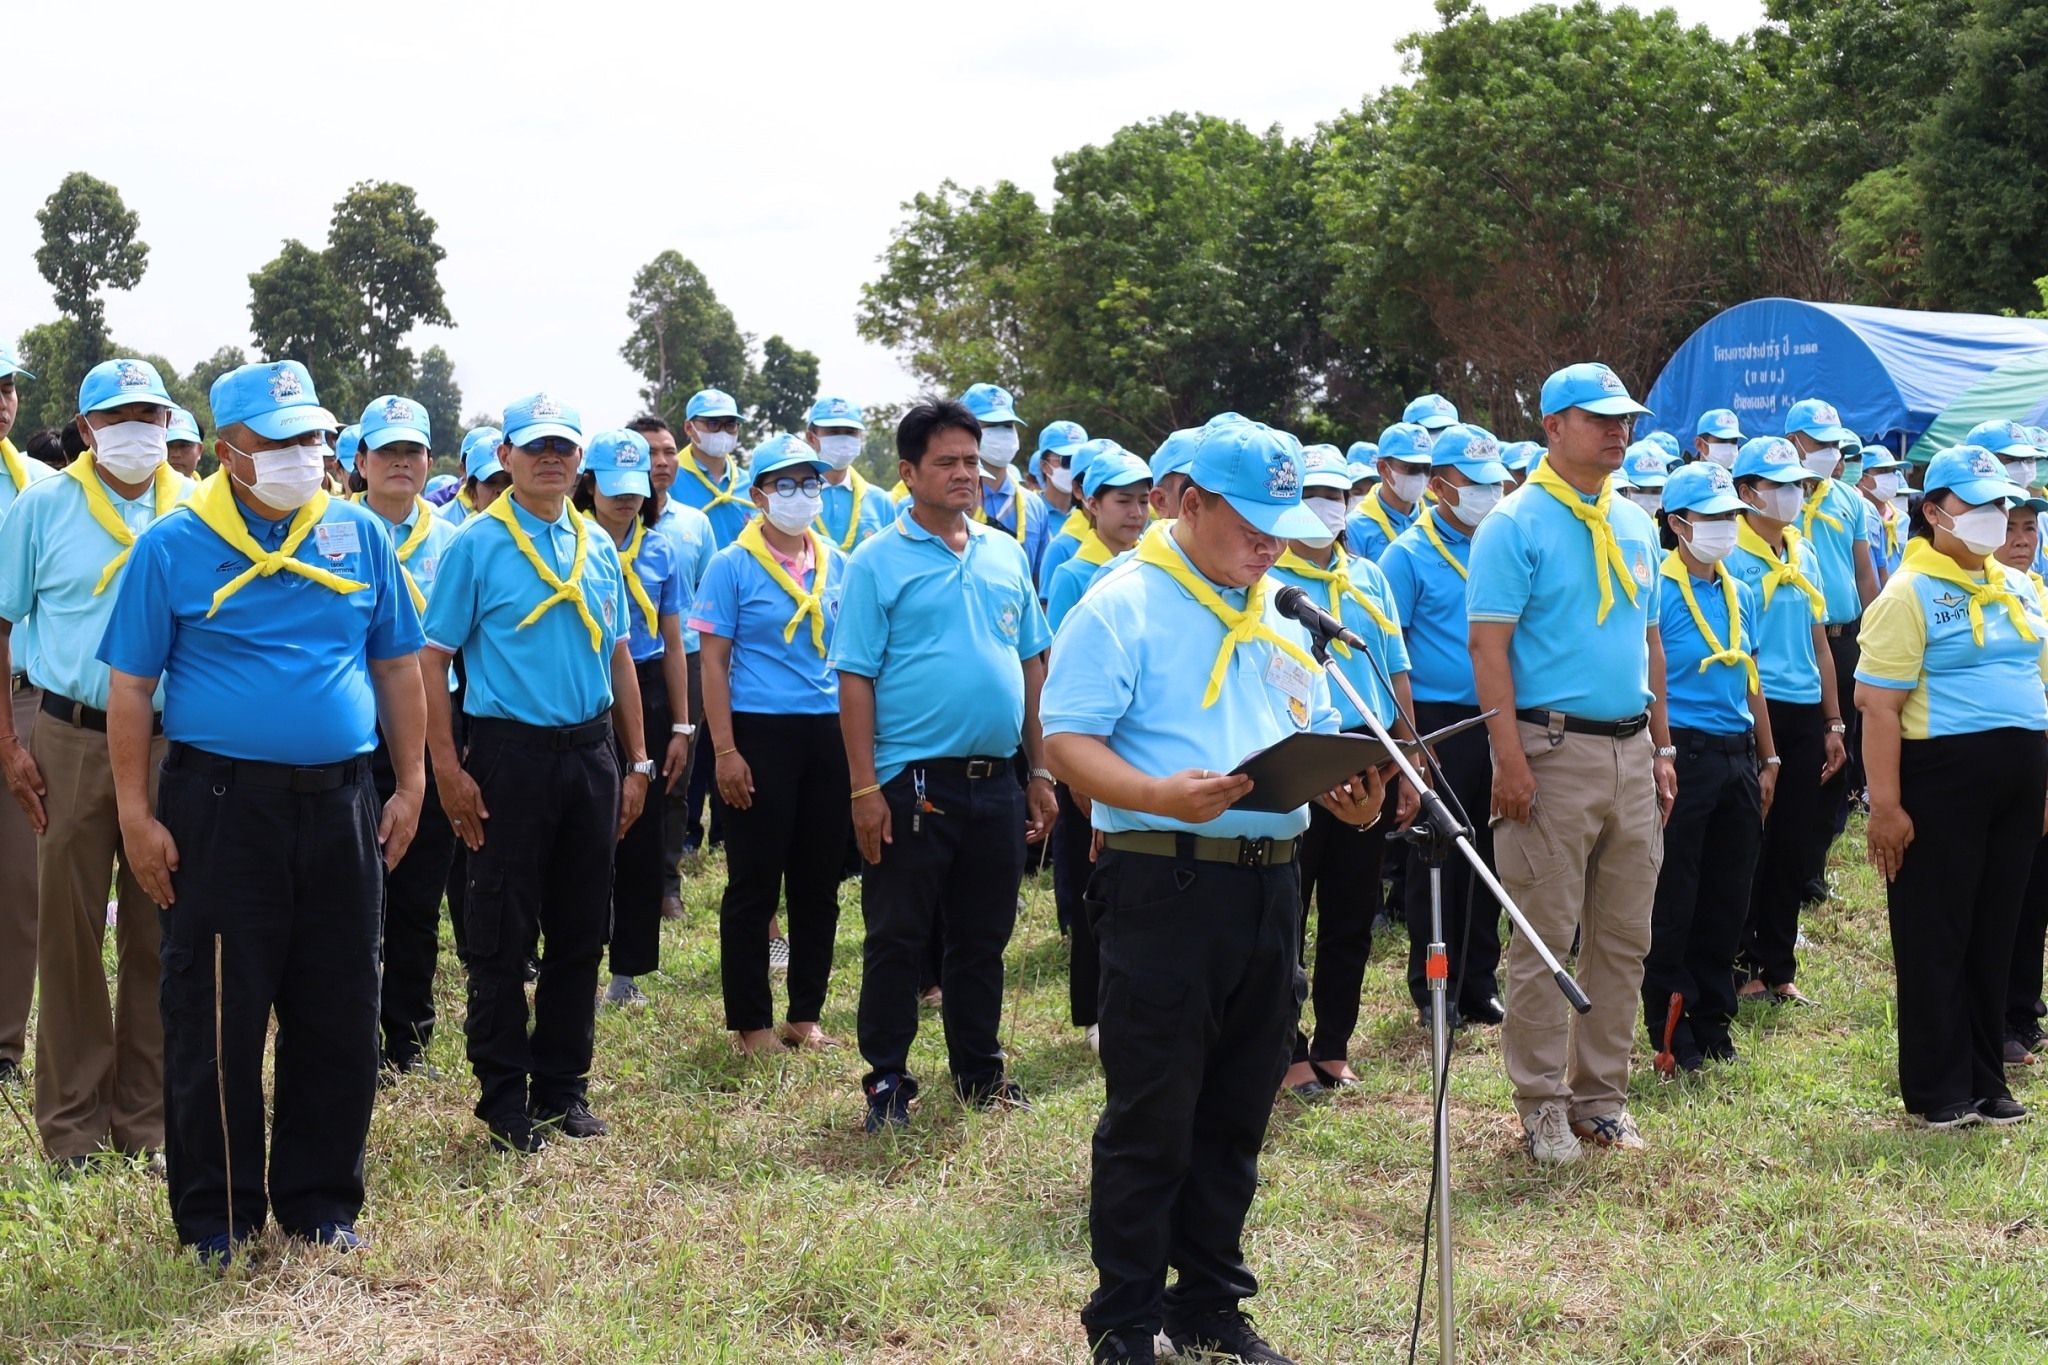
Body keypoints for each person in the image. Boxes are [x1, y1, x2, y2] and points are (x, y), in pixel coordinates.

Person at [1042, 416, 1384, 1365]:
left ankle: (1210, 1304)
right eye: (1254, 520)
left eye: (1286, 519)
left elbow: (1308, 728)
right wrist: (1157, 795)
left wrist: (1350, 805)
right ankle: (1123, 1323)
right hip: (1164, 879)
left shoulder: (1282, 607)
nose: (1274, 540)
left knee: (1238, 1107)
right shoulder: (1123, 602)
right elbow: (1066, 739)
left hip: (1272, 883)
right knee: (1154, 1113)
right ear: (1190, 503)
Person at [99, 358, 425, 1262]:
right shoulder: (172, 543)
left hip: (341, 806)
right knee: (215, 1014)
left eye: (315, 438)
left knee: (339, 1002)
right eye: (281, 442)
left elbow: (397, 663)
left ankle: (321, 1202)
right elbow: (132, 689)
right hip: (218, 807)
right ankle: (221, 1215)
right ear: (231, 449)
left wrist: (411, 783)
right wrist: (135, 812)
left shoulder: (358, 534)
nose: (304, 455)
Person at [421, 392, 647, 1154]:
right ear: (506, 457)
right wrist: (447, 765)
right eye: (535, 446)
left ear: (581, 464)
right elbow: (433, 657)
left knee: (582, 926)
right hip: (507, 753)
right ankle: (504, 1094)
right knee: (500, 930)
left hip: (588, 755)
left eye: (564, 448)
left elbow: (619, 656)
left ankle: (564, 1088)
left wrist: (637, 760)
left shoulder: (597, 546)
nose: (551, 458)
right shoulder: (477, 544)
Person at [829, 398, 1058, 1133]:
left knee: (982, 932)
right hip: (911, 783)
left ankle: (979, 1071)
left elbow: (1031, 662)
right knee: (898, 933)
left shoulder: (1001, 552)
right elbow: (855, 677)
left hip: (998, 779)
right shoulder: (875, 561)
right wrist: (865, 786)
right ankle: (888, 1079)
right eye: (947, 462)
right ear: (908, 472)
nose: (965, 473)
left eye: (971, 460)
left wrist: (1043, 770)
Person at [1468, 362, 1677, 1164]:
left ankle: (1601, 1098)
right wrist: (1509, 757)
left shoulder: (1632, 522)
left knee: (1623, 935)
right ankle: (1541, 1103)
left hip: (1629, 746)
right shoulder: (1514, 524)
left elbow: (1649, 639)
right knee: (1544, 938)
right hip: (1550, 749)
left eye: (1624, 417)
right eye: (1599, 418)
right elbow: (1490, 647)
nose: (1617, 430)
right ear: (1553, 426)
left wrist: (1659, 745)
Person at [0, 359, 192, 1168]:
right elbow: (5, 624)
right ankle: (73, 1127)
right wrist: (10, 745)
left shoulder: (194, 508)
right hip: (70, 735)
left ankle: (143, 1120)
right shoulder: (42, 506)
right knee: (71, 936)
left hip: (167, 741)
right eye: (119, 417)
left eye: (151, 414)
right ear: (86, 430)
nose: (139, 431)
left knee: (159, 929)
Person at [1857, 444, 2048, 1128]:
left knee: (1996, 930)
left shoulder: (2022, 586)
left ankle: (1985, 1077)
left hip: (2019, 781)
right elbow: (1877, 705)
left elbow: (2039, 682)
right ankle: (1938, 1088)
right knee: (1938, 932)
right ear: (1934, 511)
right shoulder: (1908, 592)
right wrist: (1886, 804)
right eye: (1979, 505)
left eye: (2002, 503)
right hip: (1940, 780)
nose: (1997, 517)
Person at [692, 435, 851, 1054]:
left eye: (809, 484)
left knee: (819, 881)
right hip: (758, 732)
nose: (800, 496)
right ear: (758, 496)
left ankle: (804, 1014)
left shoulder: (838, 562)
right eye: (784, 485)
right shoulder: (732, 564)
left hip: (829, 732)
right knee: (754, 881)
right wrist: (726, 751)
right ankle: (751, 1022)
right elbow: (713, 664)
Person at [1269, 441, 1414, 1095]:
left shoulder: (1371, 575)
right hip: (1299, 753)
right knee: (1287, 913)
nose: (1329, 508)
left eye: (1338, 496)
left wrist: (1409, 760)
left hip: (1368, 749)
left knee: (1352, 912)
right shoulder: (1272, 587)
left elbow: (1395, 669)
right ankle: (1287, 1047)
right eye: (1314, 495)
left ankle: (1333, 1043)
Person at [1640, 461, 1778, 1070]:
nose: (1726, 528)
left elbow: (1752, 678)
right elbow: (1654, 682)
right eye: (1714, 517)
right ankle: (1671, 1026)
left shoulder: (1738, 589)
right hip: (1685, 753)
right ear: (1678, 523)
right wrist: (1662, 751)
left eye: (1731, 517)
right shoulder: (1659, 588)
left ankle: (1715, 1021)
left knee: (1728, 895)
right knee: (1677, 897)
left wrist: (1768, 755)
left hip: (1736, 754)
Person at [1380, 424, 1512, 1029]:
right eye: (1475, 484)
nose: (1490, 494)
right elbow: (1390, 651)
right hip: (1436, 721)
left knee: (1491, 852)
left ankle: (1479, 980)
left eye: (1496, 482)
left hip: (1495, 714)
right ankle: (1433, 987)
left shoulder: (1500, 545)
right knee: (1438, 858)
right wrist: (1410, 743)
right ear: (1438, 487)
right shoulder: (1406, 556)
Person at [351, 394, 462, 1077]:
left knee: (418, 899)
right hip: (355, 744)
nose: (400, 462)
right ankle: (353, 1035)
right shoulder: (332, 532)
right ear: (359, 460)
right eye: (385, 451)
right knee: (355, 902)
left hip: (429, 740)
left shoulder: (456, 540)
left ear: (429, 460)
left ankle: (410, 1035)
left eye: (412, 451)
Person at [1723, 436, 1846, 1005]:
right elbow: (1742, 654)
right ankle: (1742, 962)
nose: (1793, 495)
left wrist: (1833, 723)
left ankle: (1778, 965)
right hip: (1756, 711)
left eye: (1798, 484)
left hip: (1803, 714)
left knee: (1793, 842)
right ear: (1747, 492)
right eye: (1779, 485)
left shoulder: (1803, 551)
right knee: (1754, 842)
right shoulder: (1732, 558)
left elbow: (1820, 643)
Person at [572, 428, 691, 1009]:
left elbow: (674, 642)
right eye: (614, 487)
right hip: (590, 685)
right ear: (588, 485)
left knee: (643, 835)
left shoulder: (662, 549)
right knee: (591, 833)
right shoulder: (571, 541)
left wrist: (682, 727)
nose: (626, 499)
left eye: (636, 487)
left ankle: (628, 970)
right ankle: (580, 962)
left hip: (647, 684)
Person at [1781, 399, 1878, 907]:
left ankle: (1813, 868)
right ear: (1794, 441)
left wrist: (1876, 632)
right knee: (1800, 749)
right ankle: (1782, 867)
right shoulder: (1775, 498)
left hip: (1844, 641)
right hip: (1794, 641)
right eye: (1817, 443)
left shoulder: (1850, 501)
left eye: (1833, 444)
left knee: (1838, 754)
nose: (1828, 453)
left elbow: (1864, 572)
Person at [636, 413, 715, 910]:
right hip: (623, 662)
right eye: (650, 454)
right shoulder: (602, 525)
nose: (663, 463)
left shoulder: (695, 524)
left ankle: (666, 884)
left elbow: (708, 603)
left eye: (668, 452)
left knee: (675, 773)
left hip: (684, 661)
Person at [0, 342, 51, 1092]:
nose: (3, 397)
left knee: (18, 879)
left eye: (7, 384)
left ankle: (4, 1045)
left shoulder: (41, 487)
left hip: (20, 694)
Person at [1993, 501, 2048, 1065]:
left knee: (2033, 898)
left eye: (2029, 528)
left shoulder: (2035, 590)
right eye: (2009, 528)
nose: (2020, 539)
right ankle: (1999, 1019)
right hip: (1994, 767)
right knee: (2002, 898)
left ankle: (2023, 1010)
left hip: (2037, 758)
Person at [1045, 452, 1152, 629]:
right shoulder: (1071, 576)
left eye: (1143, 501)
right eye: (1124, 501)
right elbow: (1056, 652)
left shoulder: (1153, 566)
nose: (1137, 513)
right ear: (1093, 505)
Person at [961, 383, 1053, 575]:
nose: (1002, 433)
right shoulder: (953, 499)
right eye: (992, 426)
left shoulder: (1034, 506)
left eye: (1008, 426)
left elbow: (1039, 582)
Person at [671, 388, 754, 548]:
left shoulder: (751, 484)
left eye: (730, 425)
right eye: (713, 424)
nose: (722, 432)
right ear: (689, 428)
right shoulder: (670, 480)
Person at [806, 396, 890, 552]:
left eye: (851, 432)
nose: (843, 440)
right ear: (811, 438)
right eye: (833, 432)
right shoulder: (794, 498)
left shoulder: (879, 500)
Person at [1343, 422, 1433, 561]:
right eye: (1411, 468)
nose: (1420, 476)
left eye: (1426, 469)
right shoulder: (1354, 528)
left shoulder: (1434, 521)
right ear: (1383, 468)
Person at [435, 426, 509, 526]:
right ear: (473, 494)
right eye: (490, 482)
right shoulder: (444, 523)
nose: (501, 490)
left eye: (509, 481)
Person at [1858, 444, 1908, 585]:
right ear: (1862, 477)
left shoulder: (1903, 519)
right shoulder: (1858, 517)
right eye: (1883, 471)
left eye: (1893, 471)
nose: (1891, 477)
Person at [1033, 420, 1090, 518]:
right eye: (1067, 460)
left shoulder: (1091, 514)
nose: (1074, 467)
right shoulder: (1029, 510)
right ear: (1044, 465)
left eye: (1079, 460)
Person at [1617, 440, 1670, 515]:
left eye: (1656, 491)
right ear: (1624, 489)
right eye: (1638, 490)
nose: (1647, 499)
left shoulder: (1660, 523)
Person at [165, 407, 203, 478]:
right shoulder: (140, 488)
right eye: (168, 446)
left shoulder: (210, 489)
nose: (176, 454)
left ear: (199, 450)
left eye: (184, 446)